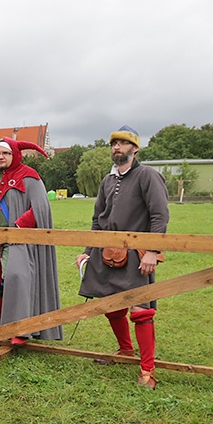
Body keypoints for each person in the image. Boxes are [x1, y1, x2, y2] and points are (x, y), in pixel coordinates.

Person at [76, 126, 169, 389]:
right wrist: (87, 250)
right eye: (114, 143)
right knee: (112, 305)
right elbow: (98, 220)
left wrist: (151, 250)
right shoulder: (108, 181)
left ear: (135, 149)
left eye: (123, 143)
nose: (117, 147)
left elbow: (159, 216)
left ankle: (147, 371)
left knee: (141, 311)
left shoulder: (147, 176)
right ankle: (126, 350)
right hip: (107, 252)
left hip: (138, 255)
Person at [0, 138, 62, 345]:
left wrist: (14, 231)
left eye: (5, 153)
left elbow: (39, 209)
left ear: (15, 155)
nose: (0, 157)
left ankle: (19, 328)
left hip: (18, 241)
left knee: (16, 276)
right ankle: (0, 326)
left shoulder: (29, 177)